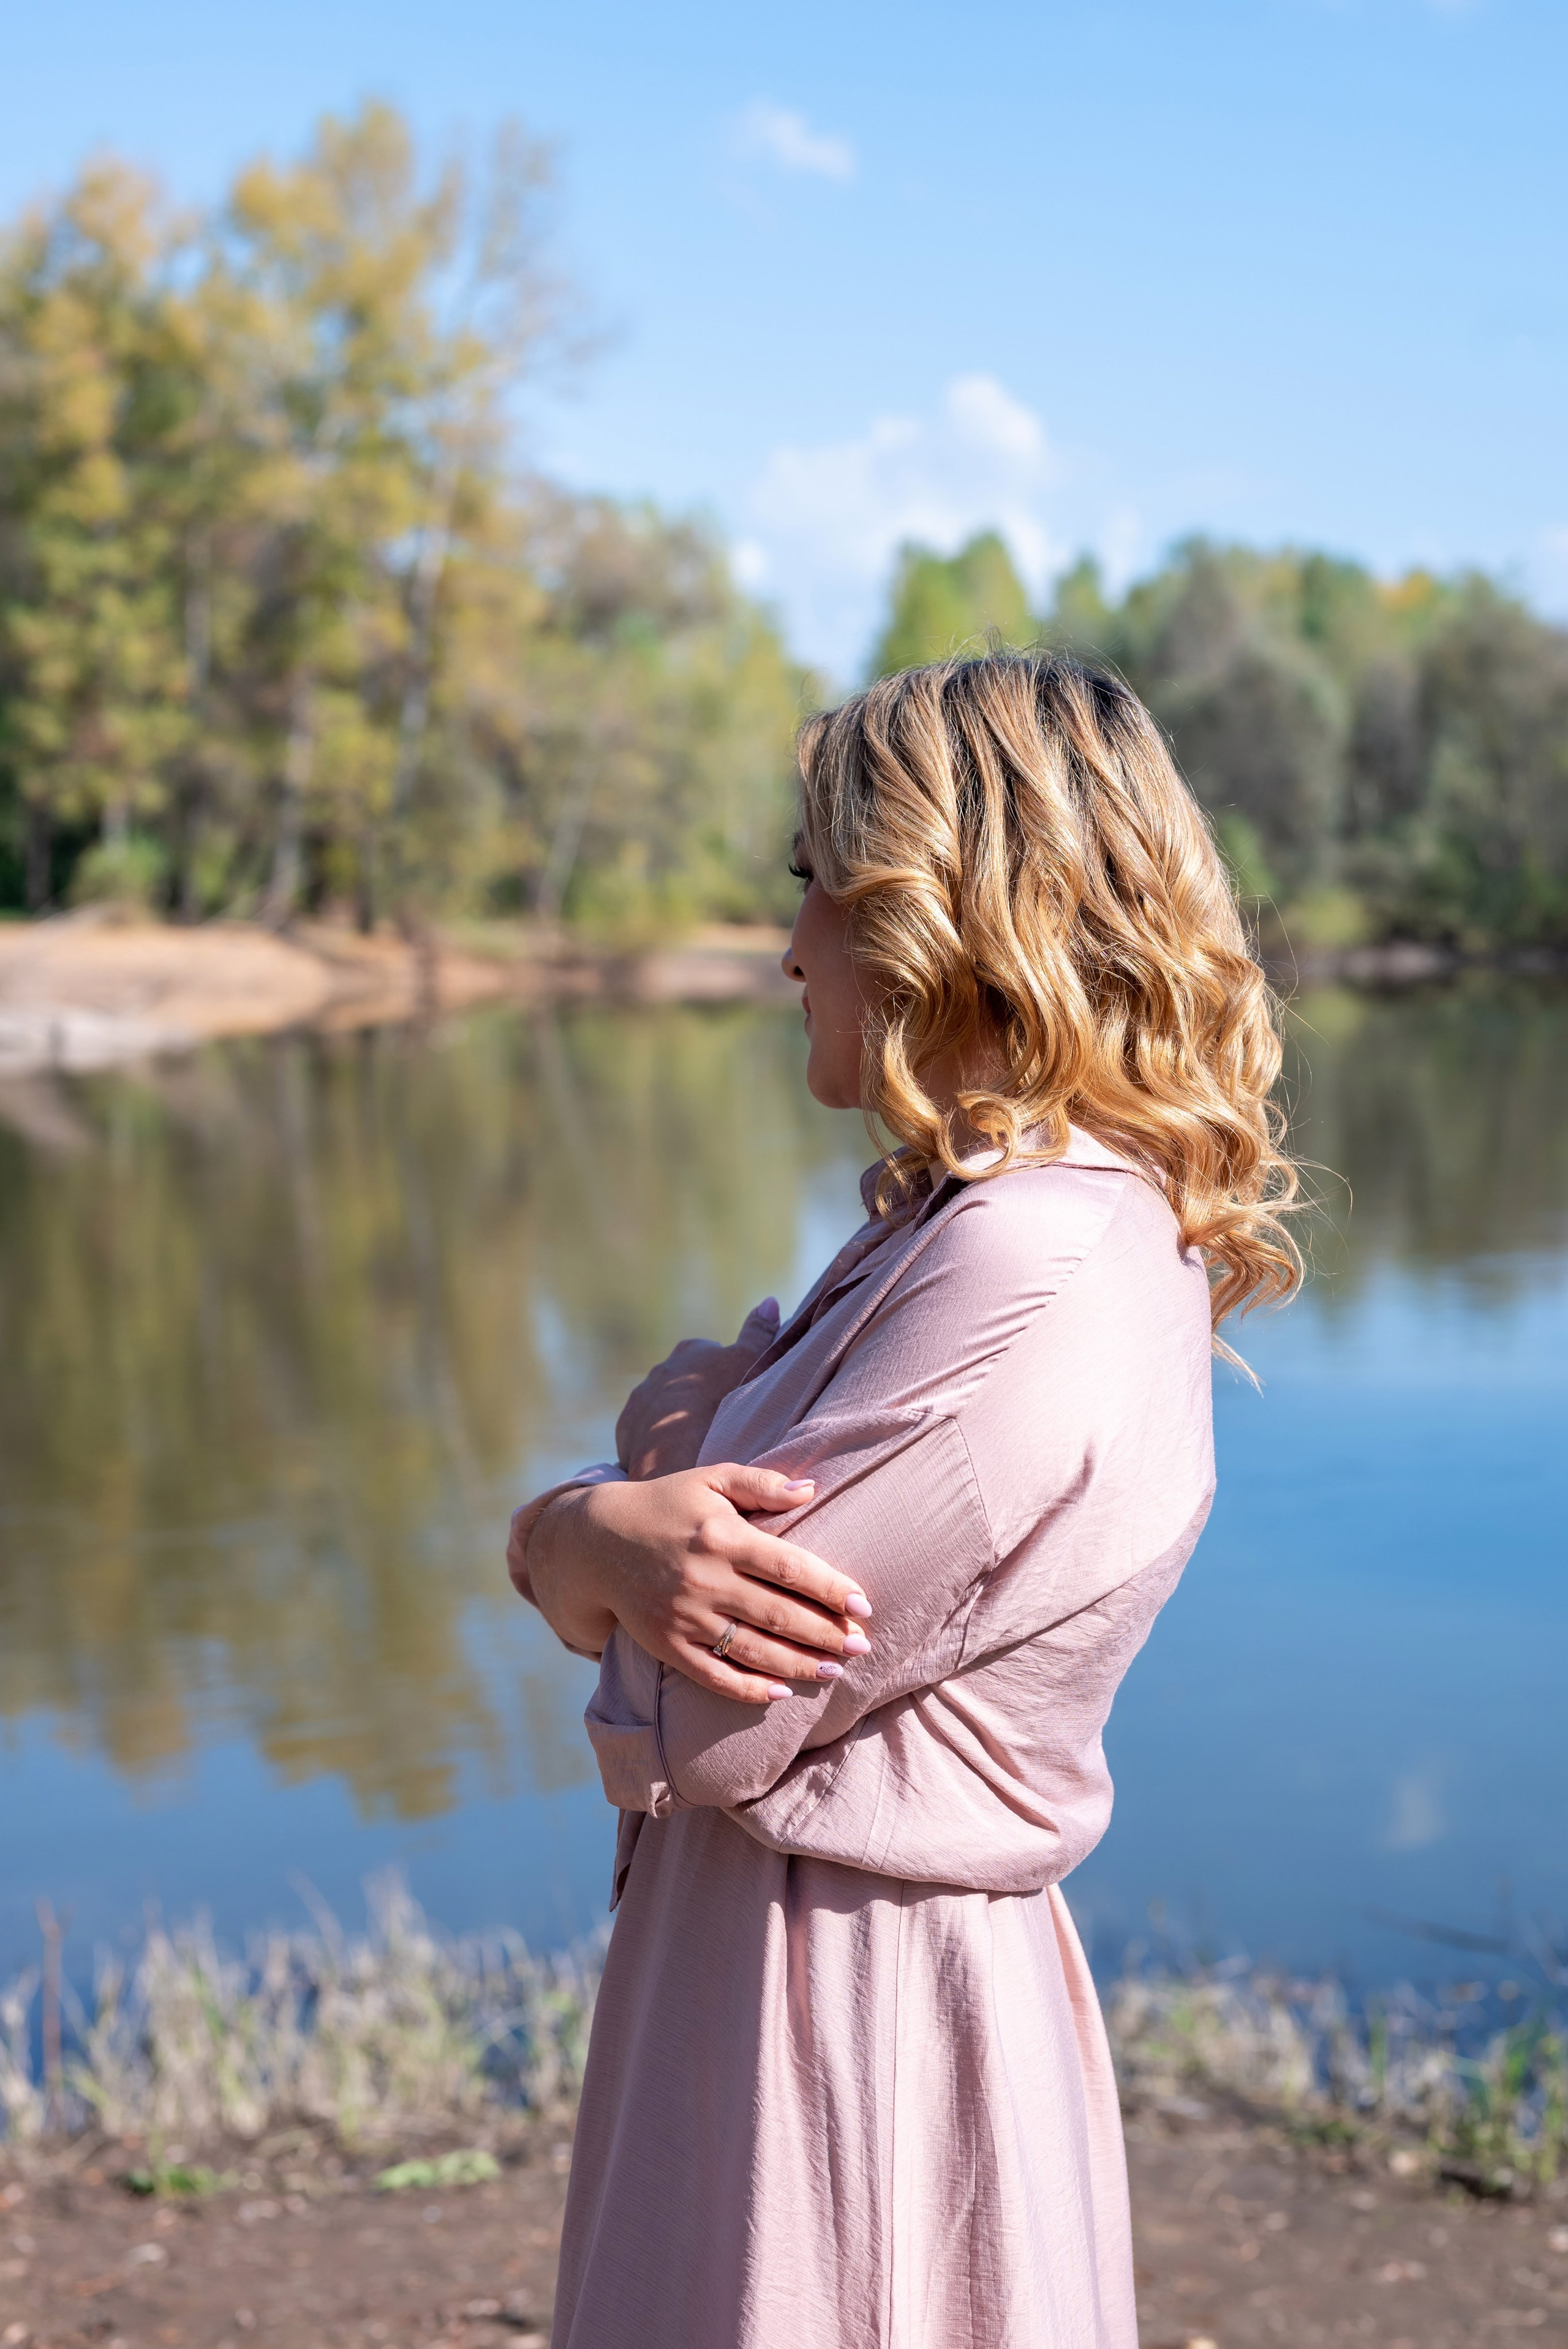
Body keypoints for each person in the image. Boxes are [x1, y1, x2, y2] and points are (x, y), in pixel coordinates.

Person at [508, 650, 1300, 2349]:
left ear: (950, 913)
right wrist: (586, 1534)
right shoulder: (955, 1222)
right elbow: (656, 1581)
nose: (791, 948)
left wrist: (630, 1484)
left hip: (856, 2026)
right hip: (765, 1971)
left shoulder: (1037, 1258)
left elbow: (714, 1711)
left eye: (818, 883)